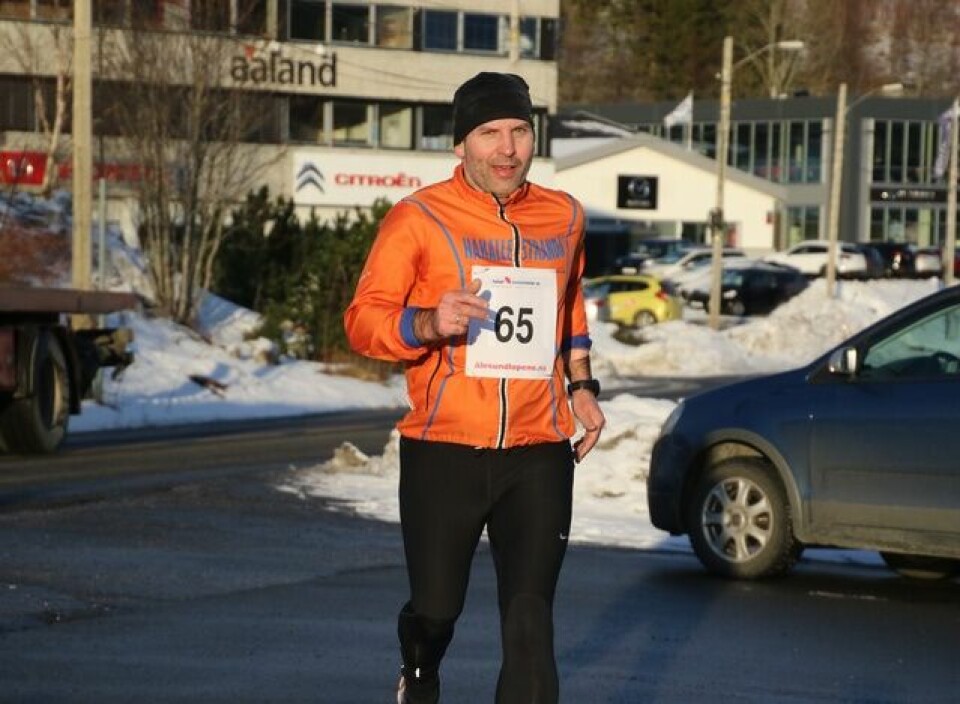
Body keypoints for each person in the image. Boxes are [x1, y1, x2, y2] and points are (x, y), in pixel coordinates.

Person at [343, 71, 605, 704]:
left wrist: (582, 386)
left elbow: (567, 306)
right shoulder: (418, 217)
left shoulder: (564, 216)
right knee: (437, 611)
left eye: (519, 131)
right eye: (490, 133)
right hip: (445, 448)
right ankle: (421, 669)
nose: (507, 148)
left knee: (530, 624)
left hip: (538, 449)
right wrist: (428, 322)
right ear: (461, 143)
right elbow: (363, 321)